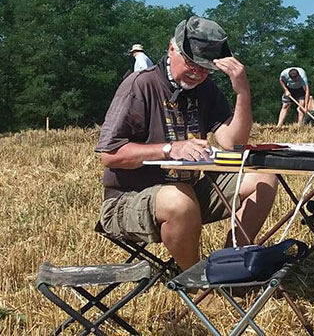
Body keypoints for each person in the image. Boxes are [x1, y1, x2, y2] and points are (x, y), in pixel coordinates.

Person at [95, 16, 277, 271]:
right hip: (128, 202)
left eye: (206, 69)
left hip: (188, 192)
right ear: (172, 49)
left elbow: (233, 142)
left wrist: (242, 92)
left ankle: (230, 267)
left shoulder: (206, 89)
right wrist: (169, 149)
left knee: (263, 178)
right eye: (192, 64)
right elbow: (110, 154)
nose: (198, 74)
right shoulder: (140, 85)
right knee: (178, 199)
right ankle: (196, 283)